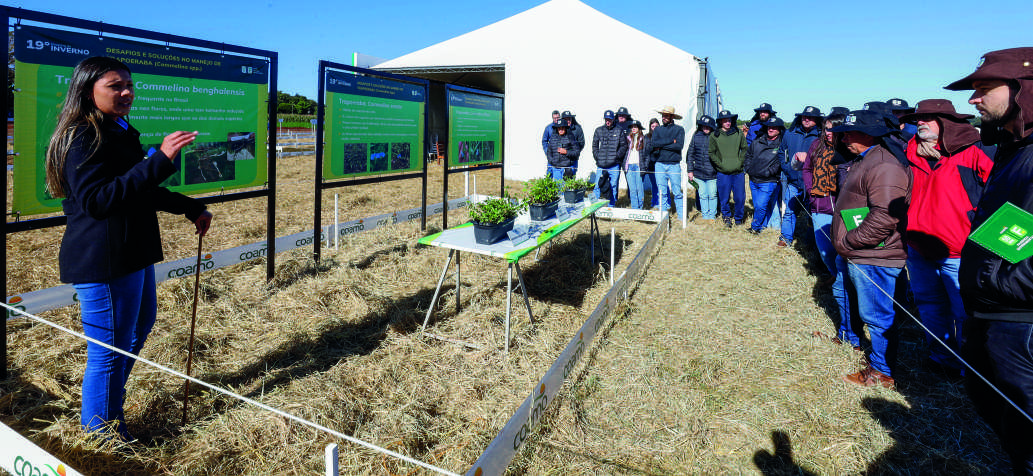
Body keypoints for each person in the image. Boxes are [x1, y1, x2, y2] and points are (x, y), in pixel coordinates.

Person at [43, 56, 213, 438]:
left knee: (137, 328)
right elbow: (98, 201)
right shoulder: (80, 135)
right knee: (108, 353)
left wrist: (189, 207)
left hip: (132, 252)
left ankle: (109, 408)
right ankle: (101, 436)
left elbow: (138, 190)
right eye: (115, 86)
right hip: (104, 261)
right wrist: (158, 160)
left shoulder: (117, 129)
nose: (126, 93)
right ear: (88, 90)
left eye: (129, 85)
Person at [947, 47, 1033, 474]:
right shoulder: (1012, 148)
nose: (973, 100)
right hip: (995, 312)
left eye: (983, 89)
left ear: (1023, 89)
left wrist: (1003, 283)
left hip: (1022, 320)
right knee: (1007, 425)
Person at [900, 99, 994, 377]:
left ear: (947, 121)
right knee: (929, 306)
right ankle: (941, 357)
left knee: (965, 314)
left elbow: (1000, 193)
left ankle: (971, 369)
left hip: (961, 252)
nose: (920, 122)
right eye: (918, 118)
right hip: (919, 249)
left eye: (928, 118)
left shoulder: (975, 150)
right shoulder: (912, 151)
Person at [831, 110, 912, 390]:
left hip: (875, 256)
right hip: (864, 254)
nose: (843, 138)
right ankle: (877, 363)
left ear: (870, 135)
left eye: (849, 133)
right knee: (872, 313)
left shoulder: (884, 166)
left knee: (877, 317)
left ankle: (882, 372)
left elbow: (885, 216)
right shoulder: (867, 160)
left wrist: (851, 241)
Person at [804, 112, 859, 350]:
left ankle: (848, 296)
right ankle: (837, 279)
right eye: (826, 128)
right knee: (826, 252)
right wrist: (811, 189)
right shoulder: (815, 145)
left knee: (842, 254)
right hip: (819, 206)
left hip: (840, 209)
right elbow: (806, 168)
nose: (828, 133)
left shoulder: (847, 151)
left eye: (832, 129)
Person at [777, 106, 824, 247]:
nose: (806, 119)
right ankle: (785, 238)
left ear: (817, 120)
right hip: (793, 182)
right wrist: (787, 168)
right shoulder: (790, 133)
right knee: (789, 211)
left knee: (812, 214)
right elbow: (781, 153)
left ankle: (811, 242)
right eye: (804, 117)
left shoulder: (822, 136)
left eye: (810, 117)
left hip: (814, 183)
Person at [743, 117, 785, 234]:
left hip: (769, 181)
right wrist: (748, 169)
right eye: (769, 127)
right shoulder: (757, 141)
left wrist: (768, 173)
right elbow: (748, 156)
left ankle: (755, 227)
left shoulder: (781, 144)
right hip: (753, 179)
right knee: (758, 206)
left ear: (779, 129)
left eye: (774, 127)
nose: (771, 129)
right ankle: (763, 226)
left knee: (761, 206)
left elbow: (779, 163)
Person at [709, 110, 747, 227]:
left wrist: (740, 162)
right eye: (725, 120)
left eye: (729, 120)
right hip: (723, 173)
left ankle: (739, 219)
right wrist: (720, 165)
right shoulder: (714, 135)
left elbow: (745, 148)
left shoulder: (738, 133)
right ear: (720, 122)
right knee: (724, 197)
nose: (727, 122)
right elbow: (711, 153)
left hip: (738, 172)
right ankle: (726, 217)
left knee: (740, 197)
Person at [649, 106, 686, 220]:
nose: (664, 117)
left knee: (677, 192)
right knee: (662, 192)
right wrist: (671, 141)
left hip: (674, 164)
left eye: (666, 115)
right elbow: (654, 144)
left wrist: (662, 145)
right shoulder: (658, 130)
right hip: (659, 164)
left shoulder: (679, 129)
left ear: (672, 116)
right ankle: (663, 217)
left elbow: (679, 146)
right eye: (663, 115)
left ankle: (681, 217)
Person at [593, 110, 628, 206]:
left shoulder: (619, 130)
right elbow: (594, 146)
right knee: (597, 186)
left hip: (614, 166)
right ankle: (594, 209)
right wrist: (597, 157)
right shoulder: (598, 130)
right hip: (601, 165)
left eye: (609, 119)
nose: (607, 121)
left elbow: (623, 146)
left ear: (613, 119)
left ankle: (611, 207)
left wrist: (616, 157)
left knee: (613, 186)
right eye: (606, 119)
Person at [688, 115, 718, 220]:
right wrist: (690, 170)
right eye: (704, 125)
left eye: (708, 126)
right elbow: (690, 154)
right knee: (703, 195)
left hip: (712, 173)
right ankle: (705, 216)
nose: (706, 127)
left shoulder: (715, 137)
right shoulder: (696, 136)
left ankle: (712, 216)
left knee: (712, 195)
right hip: (698, 173)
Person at [623, 120, 647, 209]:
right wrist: (623, 164)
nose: (633, 128)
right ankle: (634, 209)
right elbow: (623, 152)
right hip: (629, 166)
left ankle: (640, 209)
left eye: (635, 127)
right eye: (632, 127)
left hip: (638, 166)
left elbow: (647, 155)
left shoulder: (644, 139)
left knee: (639, 189)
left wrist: (645, 166)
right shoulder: (627, 139)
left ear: (639, 128)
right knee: (632, 189)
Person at [643, 118, 661, 209]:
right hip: (651, 164)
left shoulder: (662, 136)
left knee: (661, 185)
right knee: (654, 184)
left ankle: (663, 203)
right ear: (650, 127)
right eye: (652, 126)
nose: (654, 128)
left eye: (656, 126)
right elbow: (646, 150)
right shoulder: (647, 137)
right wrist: (655, 147)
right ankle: (654, 202)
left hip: (661, 163)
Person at [561, 110, 586, 174]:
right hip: (560, 159)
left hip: (572, 159)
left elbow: (581, 143)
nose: (568, 121)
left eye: (569, 119)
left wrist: (573, 152)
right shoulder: (558, 129)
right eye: (566, 119)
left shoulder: (578, 129)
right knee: (559, 181)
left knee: (571, 179)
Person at [543, 110, 563, 177]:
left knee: (560, 174)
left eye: (558, 117)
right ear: (552, 118)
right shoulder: (548, 128)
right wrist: (547, 151)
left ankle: (559, 187)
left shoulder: (563, 127)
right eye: (555, 118)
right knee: (550, 173)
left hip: (561, 155)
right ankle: (548, 187)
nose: (556, 119)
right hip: (551, 155)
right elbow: (544, 141)